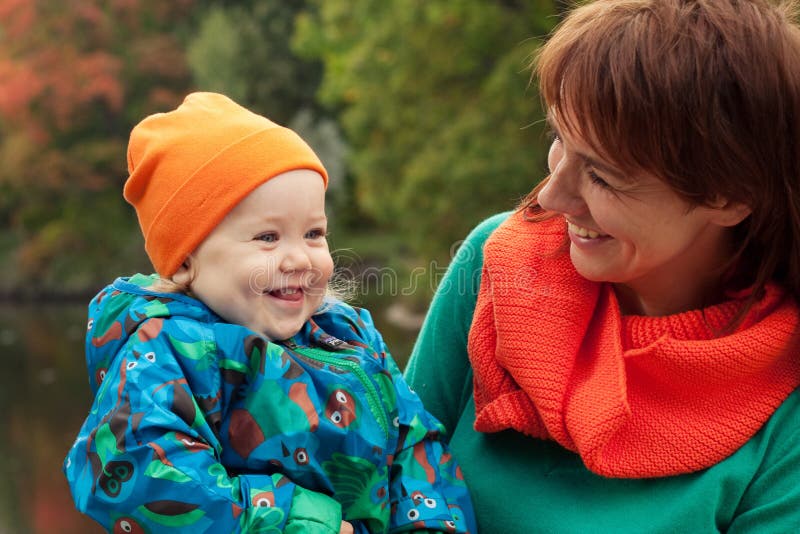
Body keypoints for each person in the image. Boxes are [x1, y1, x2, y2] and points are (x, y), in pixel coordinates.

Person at [405, 0, 800, 532]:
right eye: (558, 139)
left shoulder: (787, 417)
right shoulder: (493, 260)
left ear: (731, 195)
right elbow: (383, 472)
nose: (552, 195)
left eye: (603, 175)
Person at [63, 92, 475, 534]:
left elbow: (415, 443)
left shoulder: (351, 335)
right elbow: (138, 472)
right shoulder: (170, 349)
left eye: (313, 233)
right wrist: (305, 523)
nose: (299, 258)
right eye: (267, 237)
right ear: (185, 260)